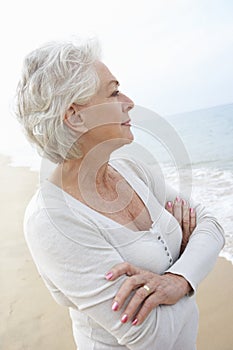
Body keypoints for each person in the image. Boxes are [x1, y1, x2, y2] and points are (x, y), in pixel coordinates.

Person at [15, 38, 225, 350]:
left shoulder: (132, 168)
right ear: (75, 116)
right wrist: (189, 262)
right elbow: (151, 337)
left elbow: (212, 225)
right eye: (113, 92)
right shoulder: (51, 221)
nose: (129, 101)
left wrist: (177, 280)